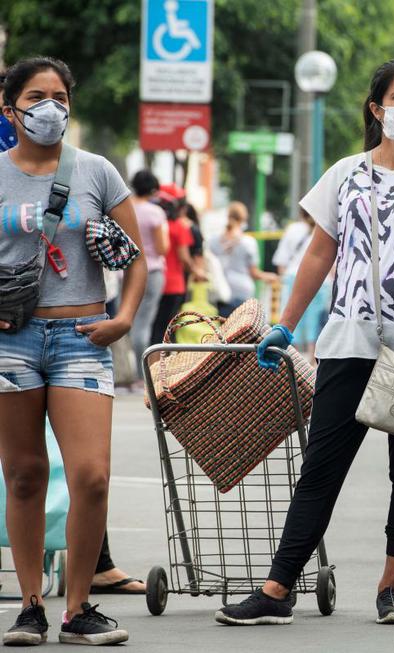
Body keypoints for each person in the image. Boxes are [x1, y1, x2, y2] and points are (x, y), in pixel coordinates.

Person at [216, 57, 394, 627]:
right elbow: (319, 253)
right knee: (322, 467)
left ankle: (391, 588)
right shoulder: (347, 173)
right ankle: (277, 588)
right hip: (348, 340)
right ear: (376, 107)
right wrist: (286, 325)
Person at [0, 56, 140, 645]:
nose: (49, 107)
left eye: (59, 96)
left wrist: (124, 318)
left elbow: (136, 258)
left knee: (92, 476)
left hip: (82, 337)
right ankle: (31, 605)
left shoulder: (96, 171)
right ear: (11, 108)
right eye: (36, 96)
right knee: (25, 474)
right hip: (11, 341)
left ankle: (78, 608)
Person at [150, 188, 204, 346]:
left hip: (154, 281)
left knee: (154, 328)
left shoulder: (157, 225)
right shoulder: (180, 227)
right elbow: (184, 258)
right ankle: (162, 364)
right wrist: (197, 271)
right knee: (168, 329)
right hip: (174, 285)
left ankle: (151, 363)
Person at [272, 209, 329, 358]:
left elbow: (281, 261)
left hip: (292, 277)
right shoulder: (325, 226)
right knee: (315, 321)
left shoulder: (292, 229)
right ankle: (312, 358)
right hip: (322, 280)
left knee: (293, 321)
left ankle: (295, 360)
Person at [208, 201, 278, 318]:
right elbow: (254, 273)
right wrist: (269, 276)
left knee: (223, 331)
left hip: (221, 291)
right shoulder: (248, 242)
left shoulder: (214, 241)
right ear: (243, 219)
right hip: (243, 292)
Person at [129, 170, 168, 360]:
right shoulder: (155, 212)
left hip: (125, 271)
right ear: (153, 189)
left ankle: (126, 370)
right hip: (151, 271)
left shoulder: (125, 207)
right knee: (144, 324)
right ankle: (142, 372)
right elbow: (162, 248)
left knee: (127, 319)